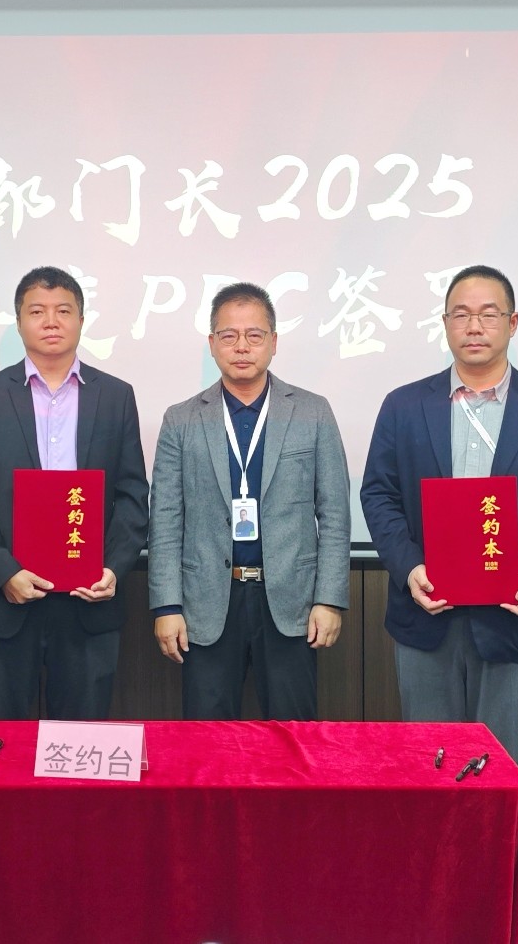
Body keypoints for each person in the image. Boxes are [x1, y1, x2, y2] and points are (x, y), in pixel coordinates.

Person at [359, 264, 518, 776]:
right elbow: (378, 495)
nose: (474, 326)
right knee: (431, 773)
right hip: (427, 619)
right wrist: (409, 569)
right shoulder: (403, 406)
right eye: (461, 315)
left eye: (489, 314)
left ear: (513, 323)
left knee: (506, 775)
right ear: (445, 323)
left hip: (516, 621)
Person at [148, 282, 352, 720]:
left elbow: (335, 512)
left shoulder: (313, 412)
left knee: (293, 736)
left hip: (292, 603)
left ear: (273, 342)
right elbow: (165, 520)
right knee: (207, 740)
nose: (242, 347)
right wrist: (167, 606)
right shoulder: (181, 419)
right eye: (229, 335)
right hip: (206, 604)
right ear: (212, 344)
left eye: (254, 335)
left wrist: (329, 599)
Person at [0, 265, 149, 720]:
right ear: (19, 321)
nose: (51, 321)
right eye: (37, 311)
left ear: (81, 319)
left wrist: (112, 569)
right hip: (4, 600)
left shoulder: (115, 396)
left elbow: (132, 494)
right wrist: (5, 572)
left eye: (63, 310)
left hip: (88, 601)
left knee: (80, 741)